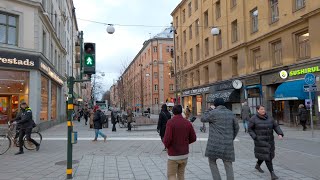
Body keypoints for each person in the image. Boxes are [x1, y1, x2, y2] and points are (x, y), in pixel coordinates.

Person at [201, 98, 239, 180]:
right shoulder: (231, 113)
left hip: (214, 144)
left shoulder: (213, 113)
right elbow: (237, 127)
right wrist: (231, 138)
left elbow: (203, 118)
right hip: (227, 145)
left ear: (215, 105)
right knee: (228, 164)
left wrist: (209, 109)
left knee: (212, 161)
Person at [248, 105, 284, 180]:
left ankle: (257, 165)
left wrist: (280, 133)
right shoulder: (253, 119)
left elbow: (276, 126)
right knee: (267, 157)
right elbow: (250, 129)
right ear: (257, 110)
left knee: (264, 155)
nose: (263, 110)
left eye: (264, 109)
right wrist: (255, 137)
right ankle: (272, 174)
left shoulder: (270, 117)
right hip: (260, 140)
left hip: (270, 140)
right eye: (261, 109)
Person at [163, 105, 197, 180]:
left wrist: (167, 146)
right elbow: (193, 138)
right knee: (181, 175)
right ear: (181, 111)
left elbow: (167, 139)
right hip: (184, 154)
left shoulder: (170, 122)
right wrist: (185, 142)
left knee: (171, 175)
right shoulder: (187, 123)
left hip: (173, 154)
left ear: (173, 112)